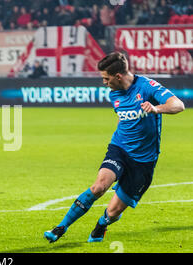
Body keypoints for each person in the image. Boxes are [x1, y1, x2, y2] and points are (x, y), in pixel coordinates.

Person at [44, 52, 185, 243]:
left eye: (106, 78)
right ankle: (60, 228)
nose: (104, 82)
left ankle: (102, 224)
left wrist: (156, 108)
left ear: (118, 76)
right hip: (119, 149)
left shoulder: (147, 87)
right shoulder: (114, 94)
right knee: (98, 186)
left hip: (143, 160)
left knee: (114, 211)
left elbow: (178, 105)